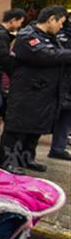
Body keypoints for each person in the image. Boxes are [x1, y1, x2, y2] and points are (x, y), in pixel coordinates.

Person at [0, 6, 71, 174]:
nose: (61, 27)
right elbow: (46, 55)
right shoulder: (28, 35)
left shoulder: (51, 37)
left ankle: (26, 159)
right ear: (51, 19)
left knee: (34, 129)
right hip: (27, 91)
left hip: (44, 93)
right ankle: (6, 162)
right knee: (17, 129)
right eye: (60, 23)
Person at [49, 14, 71, 160]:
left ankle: (58, 147)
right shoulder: (60, 34)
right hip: (59, 79)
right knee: (52, 112)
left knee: (67, 114)